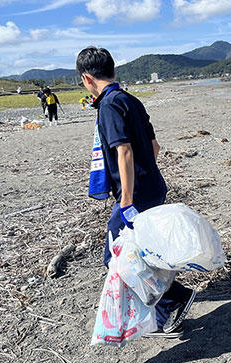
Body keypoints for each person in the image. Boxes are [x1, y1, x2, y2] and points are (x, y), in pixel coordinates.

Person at [76, 46, 196, 339]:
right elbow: (154, 147)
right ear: (113, 71)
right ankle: (166, 306)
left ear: (87, 79)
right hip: (153, 186)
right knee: (143, 252)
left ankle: (175, 300)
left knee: (115, 256)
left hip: (137, 195)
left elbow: (124, 151)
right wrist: (144, 177)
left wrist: (127, 197)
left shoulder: (108, 105)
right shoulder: (130, 100)